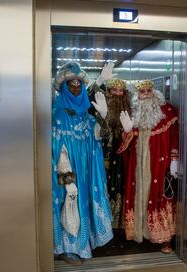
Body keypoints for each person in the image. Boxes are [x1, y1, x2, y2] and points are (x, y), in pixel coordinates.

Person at [51, 62, 113, 265]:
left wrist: (103, 118)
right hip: (66, 175)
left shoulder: (86, 116)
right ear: (64, 88)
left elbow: (100, 137)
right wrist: (66, 179)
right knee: (67, 205)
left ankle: (81, 245)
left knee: (80, 205)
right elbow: (56, 150)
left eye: (79, 84)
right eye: (72, 85)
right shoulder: (56, 116)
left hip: (84, 173)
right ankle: (65, 248)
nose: (76, 88)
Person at [118, 79, 180, 253]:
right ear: (137, 96)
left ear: (154, 92)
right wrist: (128, 132)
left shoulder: (167, 111)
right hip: (137, 165)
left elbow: (176, 135)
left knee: (160, 195)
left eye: (148, 91)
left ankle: (164, 237)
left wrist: (175, 158)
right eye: (141, 92)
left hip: (160, 163)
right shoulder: (132, 113)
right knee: (139, 195)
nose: (145, 94)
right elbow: (125, 147)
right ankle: (139, 232)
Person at [103, 78, 132, 229]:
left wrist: (128, 132)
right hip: (105, 154)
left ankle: (120, 222)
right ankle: (106, 221)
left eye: (121, 91)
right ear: (109, 92)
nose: (118, 94)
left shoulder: (130, 108)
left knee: (122, 183)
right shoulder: (102, 107)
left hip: (124, 154)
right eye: (114, 90)